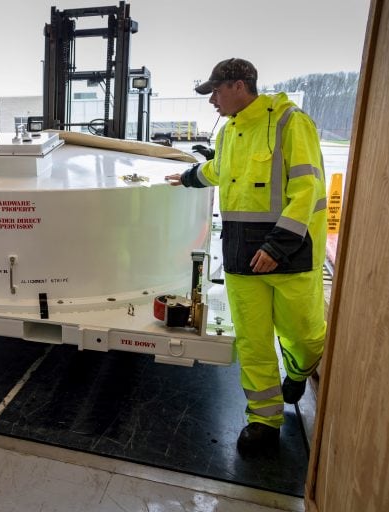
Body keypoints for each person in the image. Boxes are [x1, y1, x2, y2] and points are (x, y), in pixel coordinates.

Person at [166, 59, 326, 458]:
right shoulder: (230, 133)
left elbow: (307, 189)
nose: (212, 101)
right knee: (253, 343)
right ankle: (263, 420)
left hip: (289, 255)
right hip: (241, 257)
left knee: (305, 336)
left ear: (240, 86)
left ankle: (298, 368)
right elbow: (220, 171)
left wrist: (276, 247)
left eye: (216, 92)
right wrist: (187, 177)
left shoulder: (290, 122)